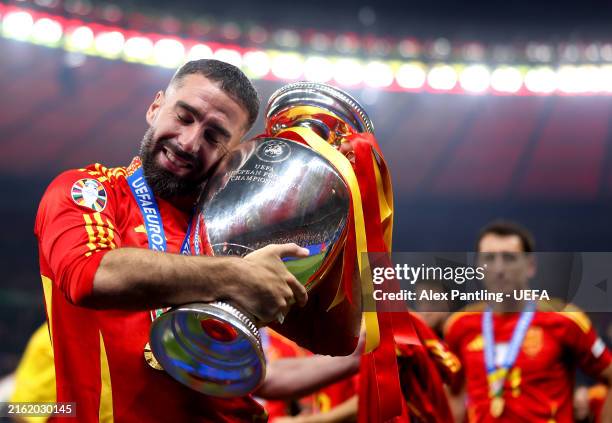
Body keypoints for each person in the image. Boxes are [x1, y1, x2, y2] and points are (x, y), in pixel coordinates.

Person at [34, 59, 357, 422]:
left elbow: (328, 340)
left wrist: (328, 198)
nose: (189, 143)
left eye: (214, 136)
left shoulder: (240, 228)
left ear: (233, 154)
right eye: (184, 117)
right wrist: (234, 275)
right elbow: (90, 274)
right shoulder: (92, 191)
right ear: (156, 107)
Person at [444, 220, 612, 422]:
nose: (499, 268)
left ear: (530, 266)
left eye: (509, 258)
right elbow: (454, 392)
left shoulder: (565, 320)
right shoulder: (460, 325)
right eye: (489, 258)